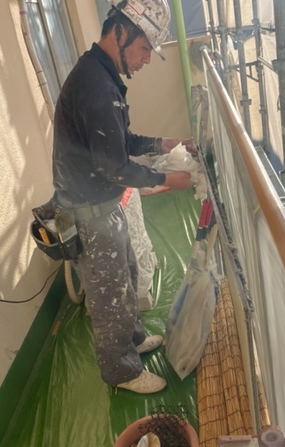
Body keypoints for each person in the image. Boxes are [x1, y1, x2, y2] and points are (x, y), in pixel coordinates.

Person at [51, 0, 195, 394]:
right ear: (120, 32)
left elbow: (122, 140)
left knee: (127, 276)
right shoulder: (94, 86)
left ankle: (133, 338)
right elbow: (114, 167)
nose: (147, 59)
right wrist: (169, 179)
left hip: (101, 205)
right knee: (109, 297)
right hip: (88, 213)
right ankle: (122, 372)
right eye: (145, 48)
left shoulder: (103, 75)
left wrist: (165, 143)